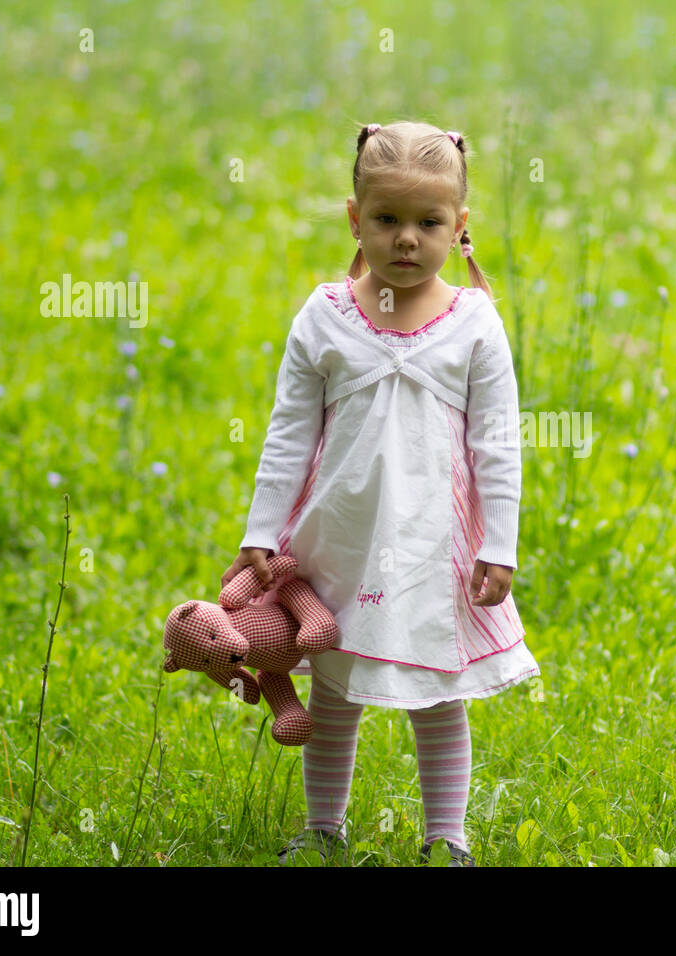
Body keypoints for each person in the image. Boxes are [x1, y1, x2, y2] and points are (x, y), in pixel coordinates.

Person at [221, 120, 539, 867]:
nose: (405, 239)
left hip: (435, 546)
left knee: (438, 693)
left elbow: (498, 443)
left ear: (459, 227)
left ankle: (447, 838)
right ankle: (323, 827)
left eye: (428, 223)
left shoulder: (474, 325)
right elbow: (288, 433)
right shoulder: (324, 316)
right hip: (339, 541)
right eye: (386, 220)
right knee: (335, 686)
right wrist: (263, 531)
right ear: (353, 218)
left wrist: (499, 544)